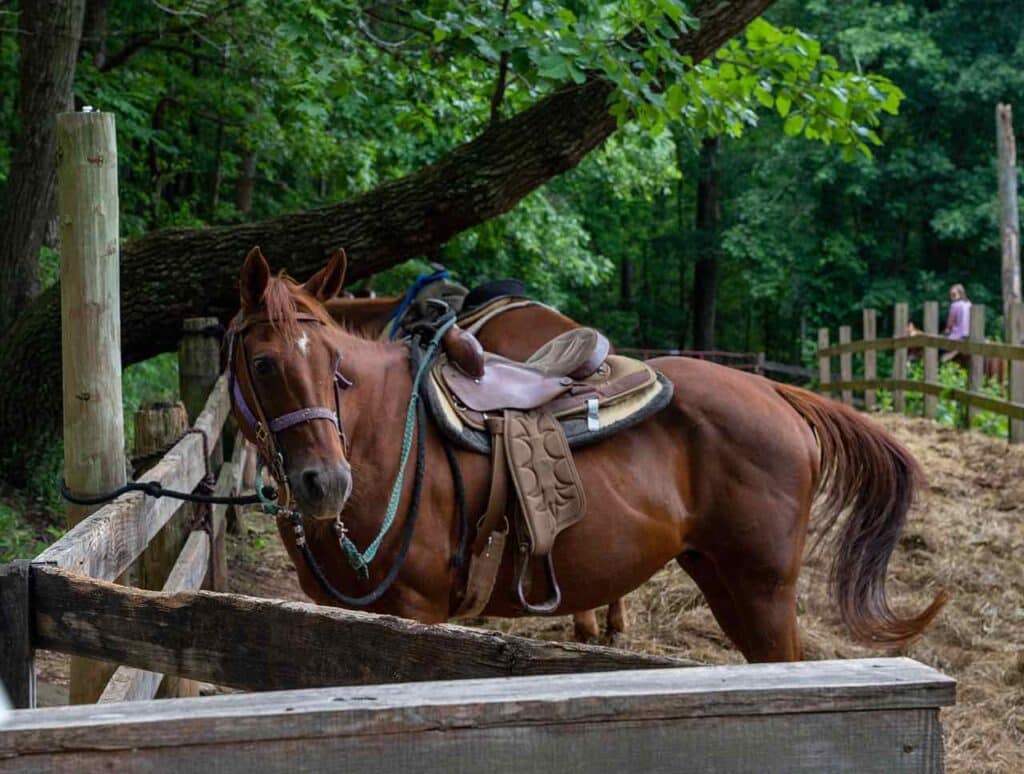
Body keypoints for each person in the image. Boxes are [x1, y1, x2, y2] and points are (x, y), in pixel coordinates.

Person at [942, 284, 971, 363]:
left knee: (940, 349)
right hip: (969, 335)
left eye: (954, 295)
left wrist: (947, 330)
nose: (951, 297)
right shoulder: (969, 304)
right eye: (951, 295)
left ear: (961, 294)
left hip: (958, 336)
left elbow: (950, 323)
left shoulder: (954, 305)